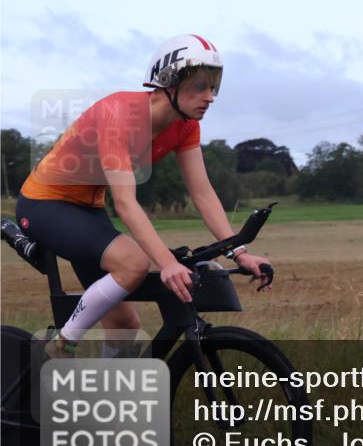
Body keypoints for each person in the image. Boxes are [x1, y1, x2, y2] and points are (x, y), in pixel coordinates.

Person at [16, 34, 272, 362]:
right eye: (200, 87)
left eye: (214, 87)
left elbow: (203, 194)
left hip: (88, 209)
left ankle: (100, 404)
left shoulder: (185, 125)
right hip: (45, 204)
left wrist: (239, 252)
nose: (210, 97)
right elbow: (125, 203)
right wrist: (165, 264)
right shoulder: (118, 115)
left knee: (124, 326)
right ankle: (59, 348)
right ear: (168, 83)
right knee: (134, 263)